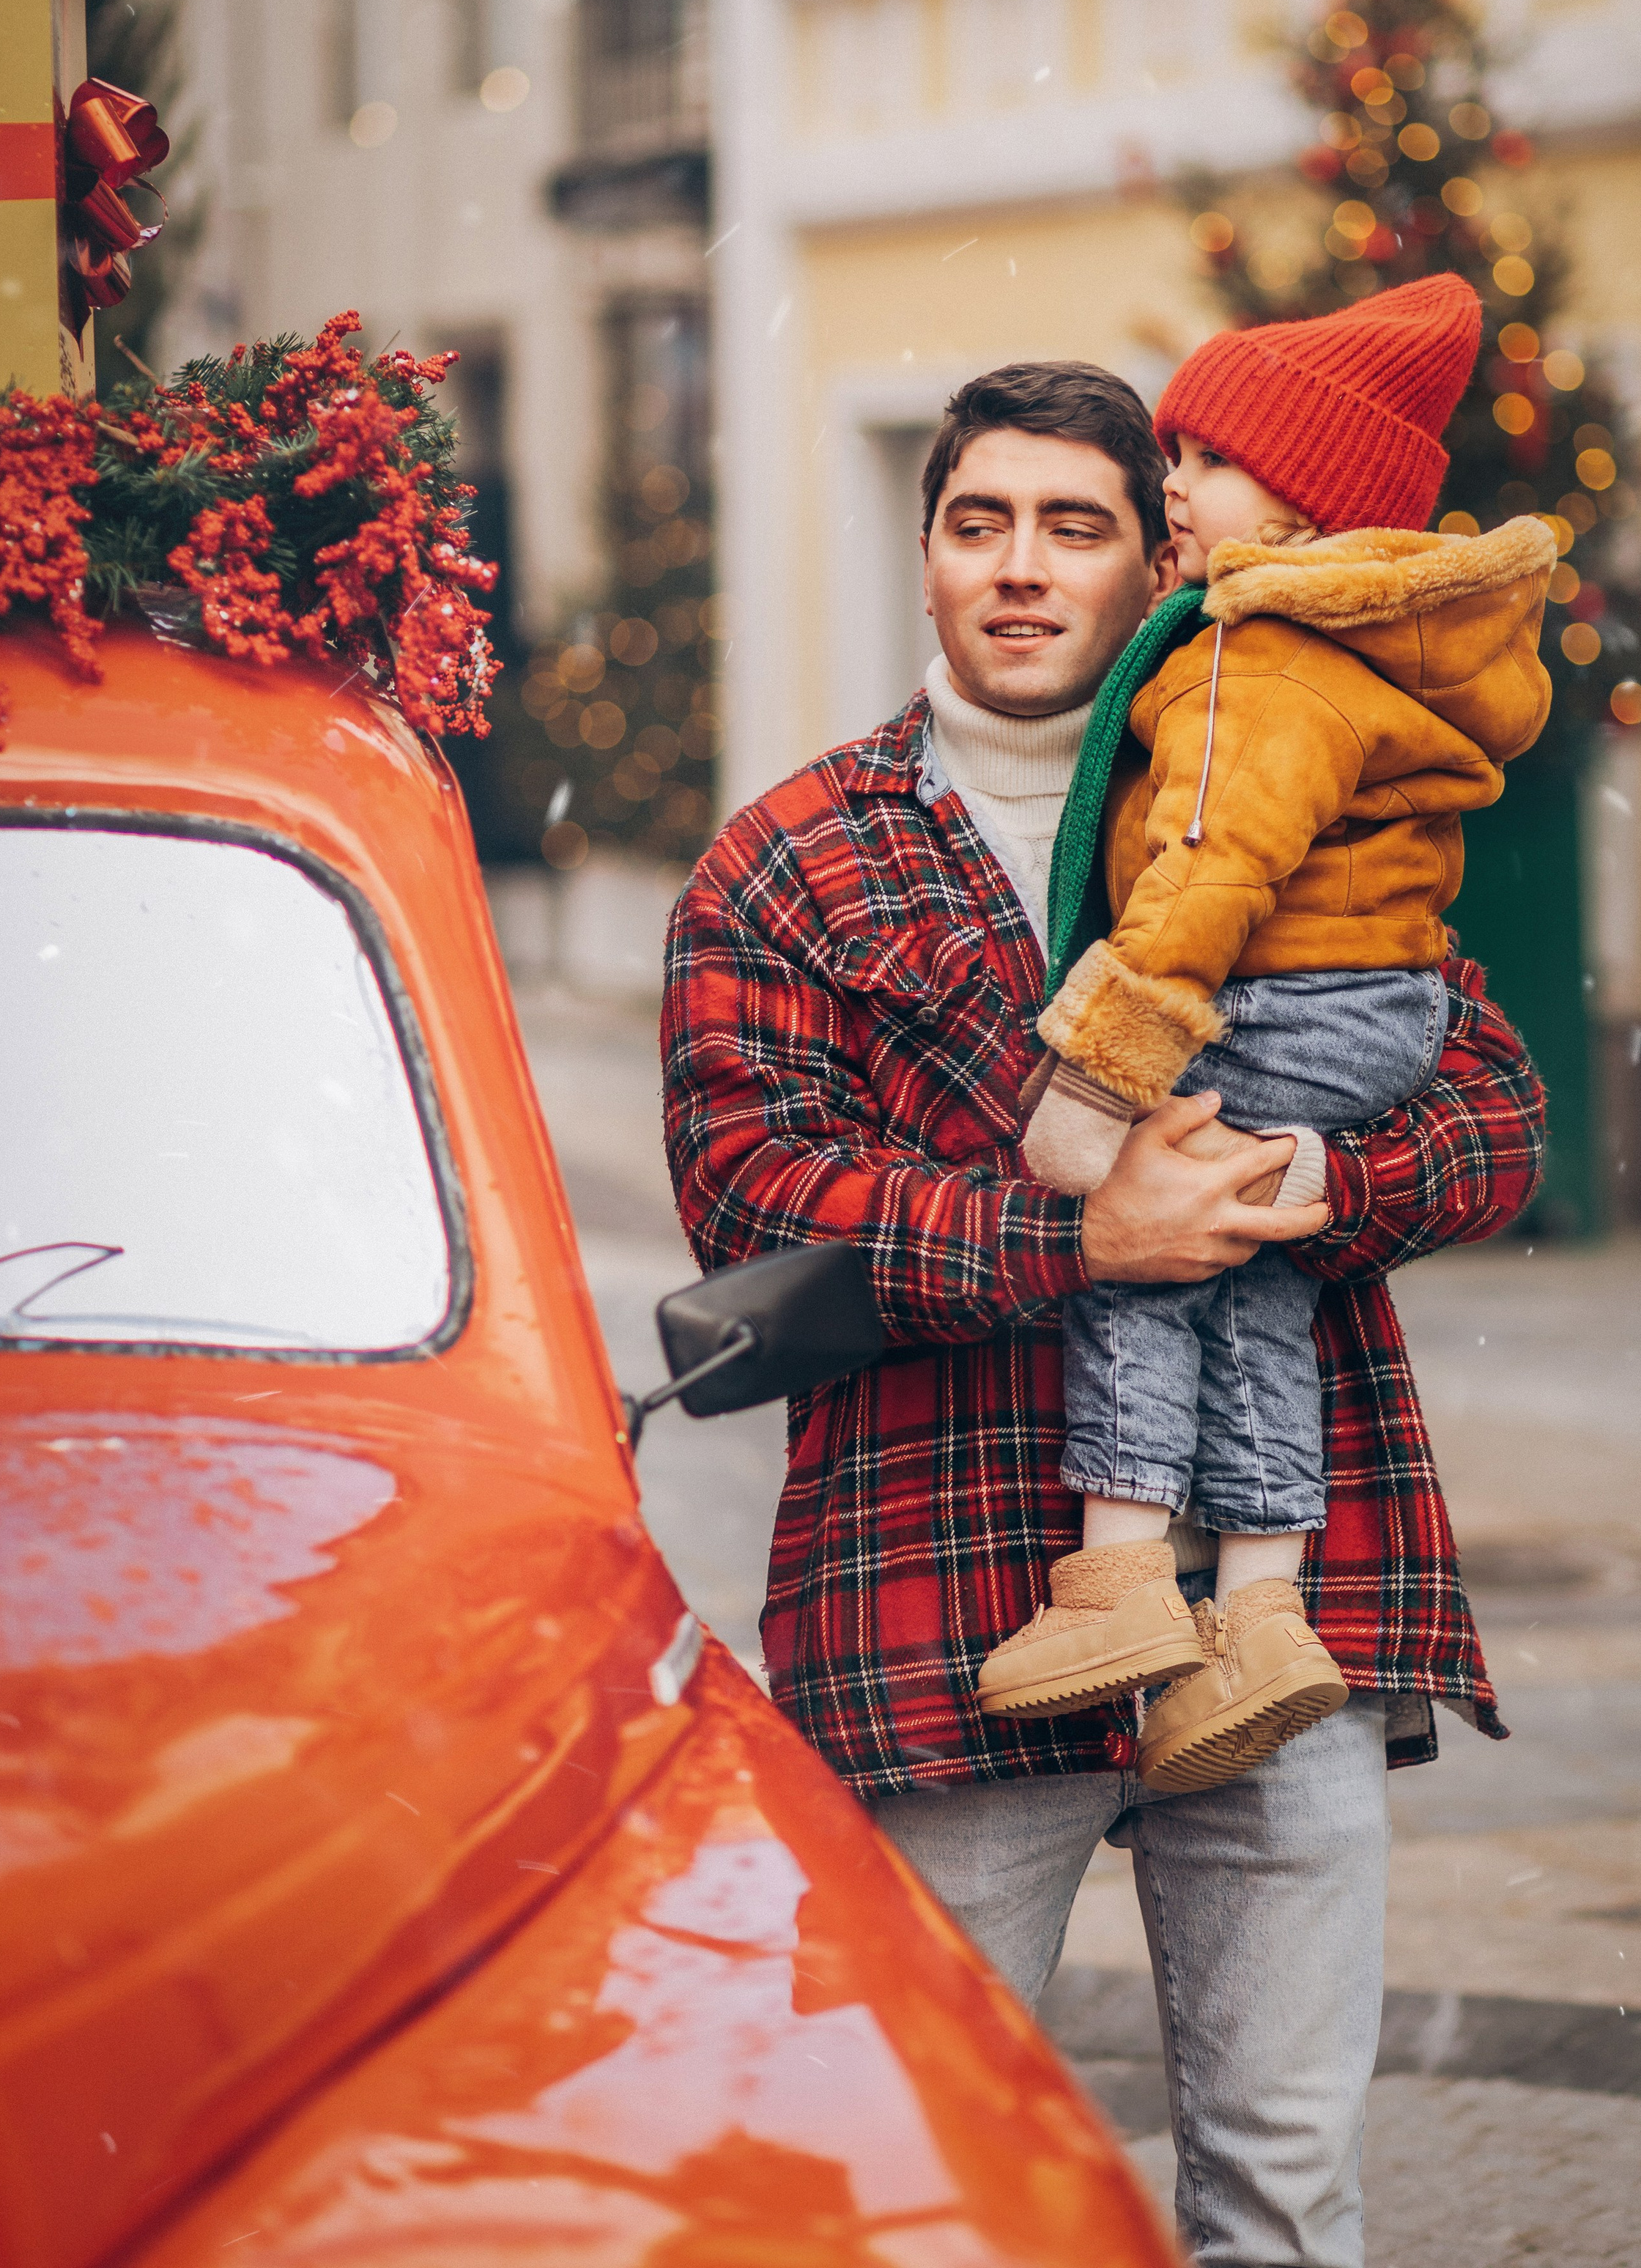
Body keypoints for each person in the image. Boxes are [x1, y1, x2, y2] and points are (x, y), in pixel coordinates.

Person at [661, 355, 1543, 2268]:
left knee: (1286, 2190)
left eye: (1074, 525)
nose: (1020, 566)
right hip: (947, 1600)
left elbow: (1492, 1114)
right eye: (977, 521)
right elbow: (753, 1201)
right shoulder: (792, 858)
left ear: (1160, 556)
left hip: (1279, 1617)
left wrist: (1312, 1184)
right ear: (924, 554)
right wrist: (1082, 1237)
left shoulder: (1301, 766)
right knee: (909, 2179)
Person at [979, 281, 1555, 1802]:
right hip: (1368, 1010)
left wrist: (1101, 1077)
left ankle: (1117, 1580)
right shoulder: (1349, 647)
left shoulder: (1254, 656)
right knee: (1247, 1281)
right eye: (1172, 454)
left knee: (1143, 1231)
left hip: (1276, 1005)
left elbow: (1206, 876)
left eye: (1209, 461)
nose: (1174, 485)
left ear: (1304, 502)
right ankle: (1257, 1609)